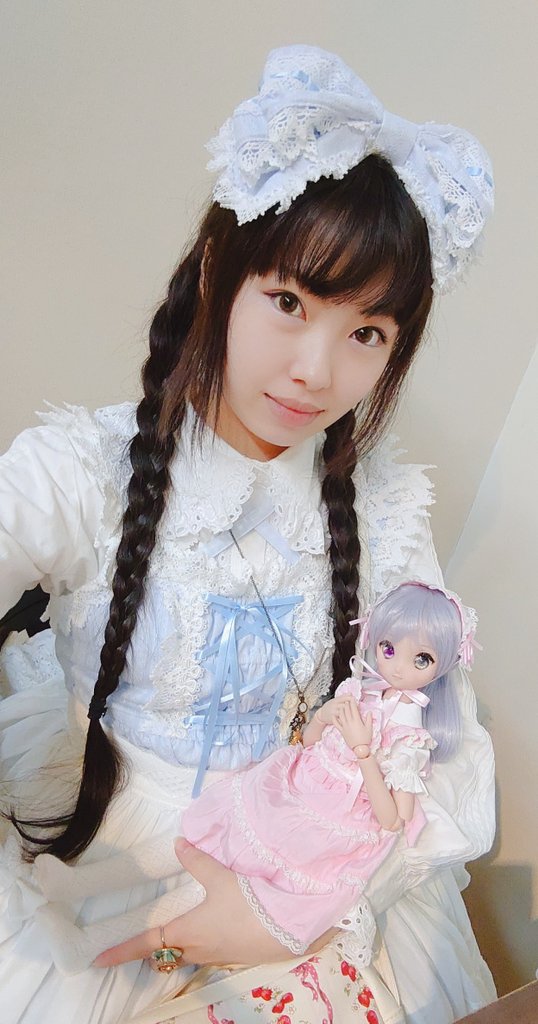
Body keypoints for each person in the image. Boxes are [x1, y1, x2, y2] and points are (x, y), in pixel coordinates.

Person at [0, 43, 496, 1024]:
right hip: (109, 841)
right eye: (289, 302)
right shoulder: (80, 470)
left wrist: (309, 904)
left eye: (366, 333)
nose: (315, 370)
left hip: (309, 854)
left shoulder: (382, 507)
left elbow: (446, 736)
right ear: (217, 274)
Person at [32, 581, 475, 980]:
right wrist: (324, 717)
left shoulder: (409, 736)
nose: (397, 666)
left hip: (326, 837)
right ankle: (79, 885)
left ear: (443, 665)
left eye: (422, 658)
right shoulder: (358, 691)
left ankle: (88, 945)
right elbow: (309, 743)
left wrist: (363, 752)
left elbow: (394, 819)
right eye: (388, 648)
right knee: (201, 835)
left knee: (217, 885)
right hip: (292, 790)